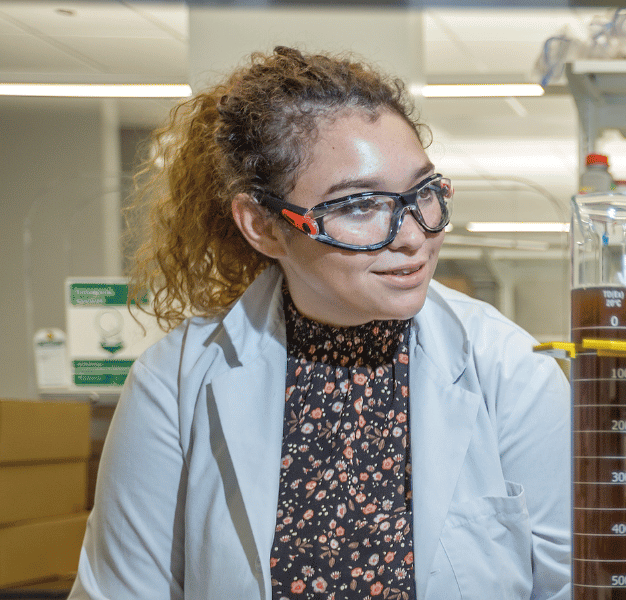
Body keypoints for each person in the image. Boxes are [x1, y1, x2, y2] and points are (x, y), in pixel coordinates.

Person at [71, 47, 572, 600]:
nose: (411, 234)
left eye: (422, 193)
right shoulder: (174, 383)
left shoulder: (510, 370)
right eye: (360, 205)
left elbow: (571, 586)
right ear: (263, 227)